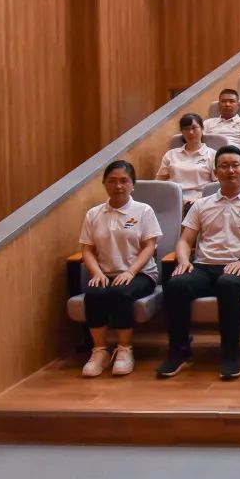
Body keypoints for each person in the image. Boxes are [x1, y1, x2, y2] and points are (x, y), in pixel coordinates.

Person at [157, 146, 240, 381]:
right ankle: (179, 351)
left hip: (239, 266)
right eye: (224, 166)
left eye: (236, 165)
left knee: (228, 285)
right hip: (203, 265)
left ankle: (230, 353)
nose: (231, 171)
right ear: (215, 171)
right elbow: (185, 240)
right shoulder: (201, 204)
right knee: (176, 285)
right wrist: (183, 261)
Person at [78, 161, 162, 377]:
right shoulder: (94, 214)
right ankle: (100, 351)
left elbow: (150, 246)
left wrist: (130, 272)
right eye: (112, 181)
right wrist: (97, 273)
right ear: (104, 184)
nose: (118, 186)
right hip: (105, 272)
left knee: (120, 292)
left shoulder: (143, 210)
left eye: (124, 181)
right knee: (94, 294)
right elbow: (87, 250)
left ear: (132, 185)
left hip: (140, 273)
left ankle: (124, 349)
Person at [156, 113, 216, 205]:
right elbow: (159, 182)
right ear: (182, 132)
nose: (190, 132)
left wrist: (200, 200)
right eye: (186, 129)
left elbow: (217, 185)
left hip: (200, 201)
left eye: (194, 128)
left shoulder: (213, 155)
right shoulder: (171, 154)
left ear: (202, 129)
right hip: (172, 201)